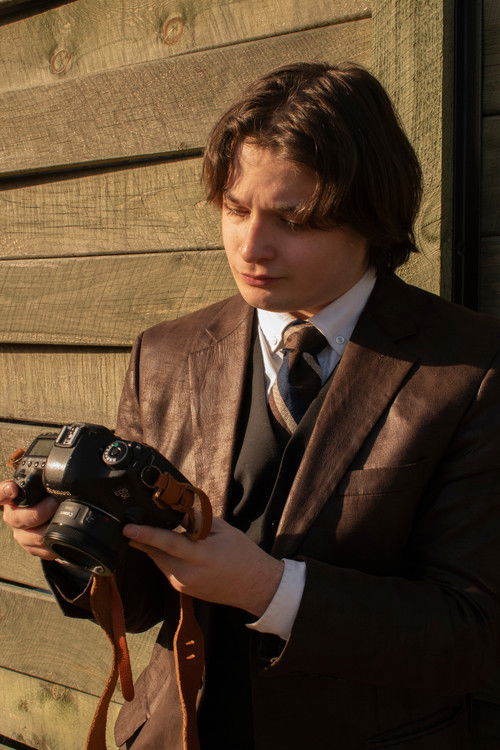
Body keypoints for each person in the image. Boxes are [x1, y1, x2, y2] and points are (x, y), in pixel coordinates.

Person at [2, 62, 500, 750]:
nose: (250, 246)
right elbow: (142, 602)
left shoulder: (475, 369)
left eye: (293, 219)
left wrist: (270, 588)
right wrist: (66, 543)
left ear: (372, 215)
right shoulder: (165, 353)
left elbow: (476, 634)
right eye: (236, 209)